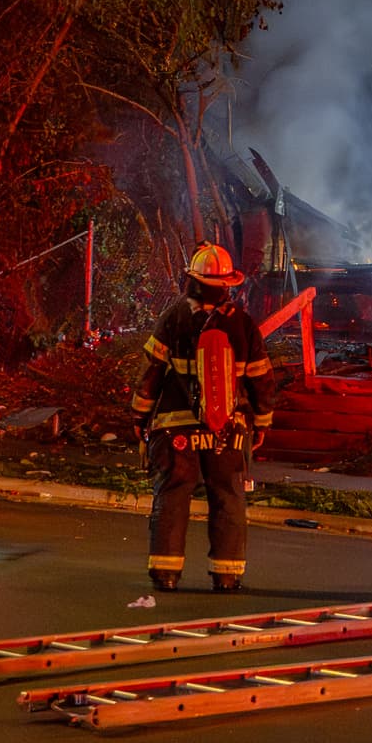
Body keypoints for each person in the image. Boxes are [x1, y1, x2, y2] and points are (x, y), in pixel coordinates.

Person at [131, 243, 274, 592]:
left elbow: (152, 374)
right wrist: (262, 421)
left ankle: (165, 572)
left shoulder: (174, 317)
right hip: (229, 430)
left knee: (173, 494)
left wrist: (139, 416)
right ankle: (227, 575)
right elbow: (261, 381)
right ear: (227, 284)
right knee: (227, 496)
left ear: (191, 279)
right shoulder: (242, 324)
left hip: (176, 429)